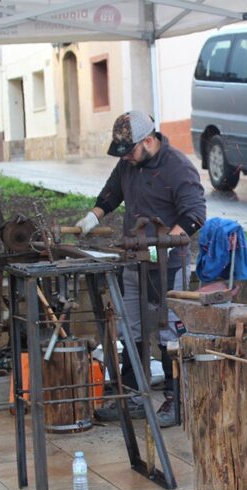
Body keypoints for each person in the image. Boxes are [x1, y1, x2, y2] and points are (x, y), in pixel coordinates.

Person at [75, 110, 206, 428]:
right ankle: (133, 395)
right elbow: (110, 195)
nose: (127, 159)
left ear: (148, 141)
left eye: (131, 151)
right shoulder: (128, 163)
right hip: (132, 260)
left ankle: (177, 399)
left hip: (167, 266)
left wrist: (161, 245)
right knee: (129, 329)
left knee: (168, 332)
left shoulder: (177, 167)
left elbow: (194, 215)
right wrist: (91, 219)